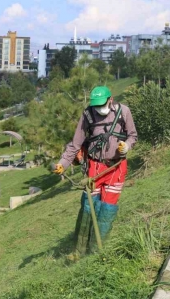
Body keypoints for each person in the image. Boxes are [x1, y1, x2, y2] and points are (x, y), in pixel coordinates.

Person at [53, 86, 138, 253]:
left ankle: (96, 251)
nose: (99, 109)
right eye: (95, 105)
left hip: (117, 167)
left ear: (110, 100)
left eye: (101, 104)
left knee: (108, 208)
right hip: (95, 166)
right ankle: (79, 250)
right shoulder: (88, 115)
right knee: (88, 206)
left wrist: (127, 146)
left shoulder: (124, 112)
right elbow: (75, 144)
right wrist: (63, 163)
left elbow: (133, 135)